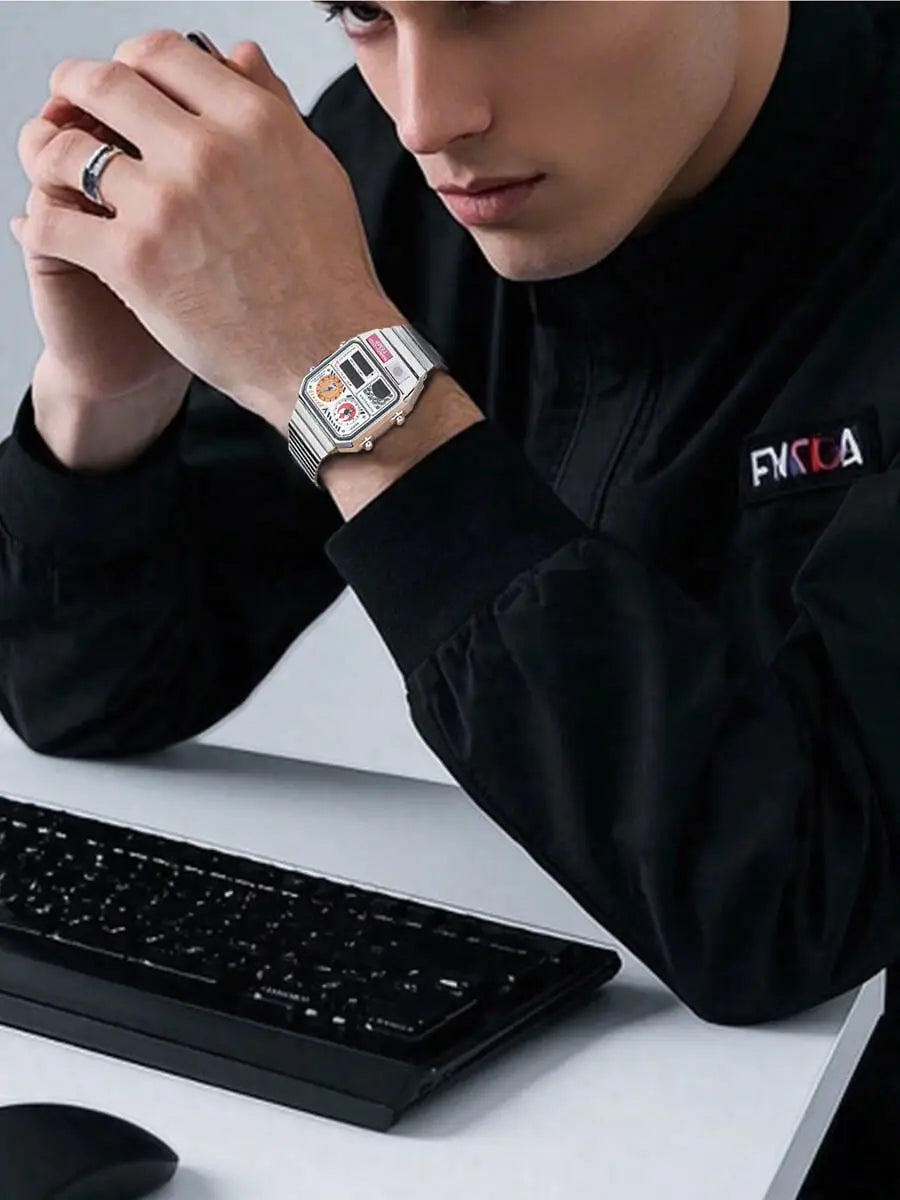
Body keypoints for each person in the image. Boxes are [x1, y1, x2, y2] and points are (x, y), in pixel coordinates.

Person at [2, 2, 899, 1193]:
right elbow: (89, 694)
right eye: (365, 14)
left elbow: (791, 903)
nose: (430, 116)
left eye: (502, 6)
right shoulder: (396, 172)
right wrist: (108, 392)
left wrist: (345, 373)